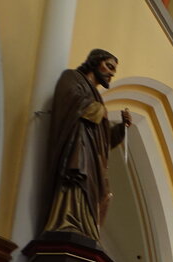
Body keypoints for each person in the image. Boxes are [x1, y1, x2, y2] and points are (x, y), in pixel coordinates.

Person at [41, 50, 132, 240]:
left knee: (103, 194)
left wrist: (121, 128)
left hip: (93, 156)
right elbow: (67, 99)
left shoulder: (97, 96)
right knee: (77, 181)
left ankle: (85, 228)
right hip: (77, 146)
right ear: (94, 63)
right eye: (109, 66)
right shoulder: (73, 77)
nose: (111, 73)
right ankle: (67, 220)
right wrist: (98, 110)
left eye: (114, 70)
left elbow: (104, 140)